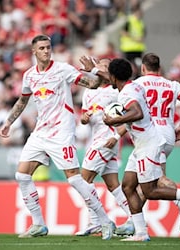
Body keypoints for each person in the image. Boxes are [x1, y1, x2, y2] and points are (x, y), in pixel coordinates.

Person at [0, 35, 116, 240]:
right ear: (33, 51)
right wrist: (9, 122)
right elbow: (22, 101)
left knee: (74, 179)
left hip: (62, 132)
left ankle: (105, 221)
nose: (46, 51)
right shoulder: (29, 76)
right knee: (22, 176)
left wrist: (93, 70)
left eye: (48, 47)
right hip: (40, 132)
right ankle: (39, 224)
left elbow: (92, 84)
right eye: (42, 48)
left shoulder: (63, 69)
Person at [101, 58, 180, 241]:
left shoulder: (132, 89)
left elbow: (137, 112)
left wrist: (113, 121)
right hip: (153, 138)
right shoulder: (137, 86)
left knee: (150, 190)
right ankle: (140, 232)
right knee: (128, 186)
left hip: (148, 143)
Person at [133, 53, 180, 232]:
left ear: (143, 68)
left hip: (152, 135)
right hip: (168, 133)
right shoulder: (171, 84)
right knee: (144, 181)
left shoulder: (138, 84)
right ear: (159, 69)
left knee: (156, 179)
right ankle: (133, 221)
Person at [75, 58, 134, 237]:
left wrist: (117, 136)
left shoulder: (116, 92)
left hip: (107, 141)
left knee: (83, 180)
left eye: (105, 67)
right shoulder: (88, 93)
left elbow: (131, 117)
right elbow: (86, 118)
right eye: (100, 65)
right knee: (113, 185)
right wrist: (84, 119)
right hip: (96, 139)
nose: (101, 68)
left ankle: (97, 222)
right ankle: (135, 218)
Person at [119, 2, 146, 67]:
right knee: (129, 66)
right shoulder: (129, 21)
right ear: (135, 12)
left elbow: (143, 36)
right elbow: (123, 32)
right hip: (128, 48)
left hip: (138, 49)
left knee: (138, 65)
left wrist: (140, 39)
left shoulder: (141, 23)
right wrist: (135, 38)